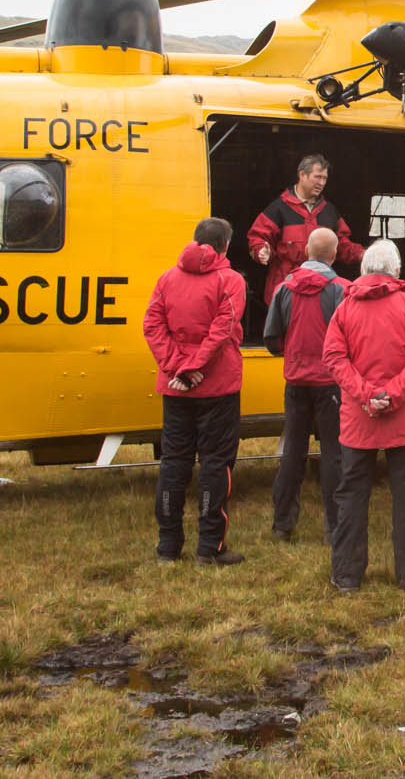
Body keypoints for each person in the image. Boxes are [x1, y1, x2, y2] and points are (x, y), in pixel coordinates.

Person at [321, 239, 405, 593]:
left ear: (363, 270)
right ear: (397, 270)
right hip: (404, 418)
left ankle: (346, 575)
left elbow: (334, 358)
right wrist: (394, 394)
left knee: (352, 494)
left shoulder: (345, 309)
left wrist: (365, 395)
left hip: (359, 418)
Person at [143, 217, 247, 565]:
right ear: (225, 246)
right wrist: (195, 368)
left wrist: (177, 368)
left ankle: (168, 547)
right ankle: (210, 547)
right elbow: (223, 329)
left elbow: (152, 325)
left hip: (176, 388)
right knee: (216, 464)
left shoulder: (167, 278)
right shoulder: (230, 280)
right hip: (216, 386)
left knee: (174, 463)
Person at [263, 228, 349, 543]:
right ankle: (335, 526)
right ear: (335, 254)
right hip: (331, 383)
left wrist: (294, 353)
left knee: (293, 452)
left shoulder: (284, 289)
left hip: (296, 381)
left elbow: (271, 339)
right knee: (334, 453)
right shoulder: (342, 289)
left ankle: (282, 524)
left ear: (306, 253)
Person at [245, 154, 365, 305]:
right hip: (286, 289)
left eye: (324, 178)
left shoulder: (329, 211)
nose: (321, 183)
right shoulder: (278, 208)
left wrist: (364, 255)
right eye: (317, 177)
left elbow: (341, 245)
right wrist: (261, 251)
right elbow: (257, 237)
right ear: (302, 174)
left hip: (322, 290)